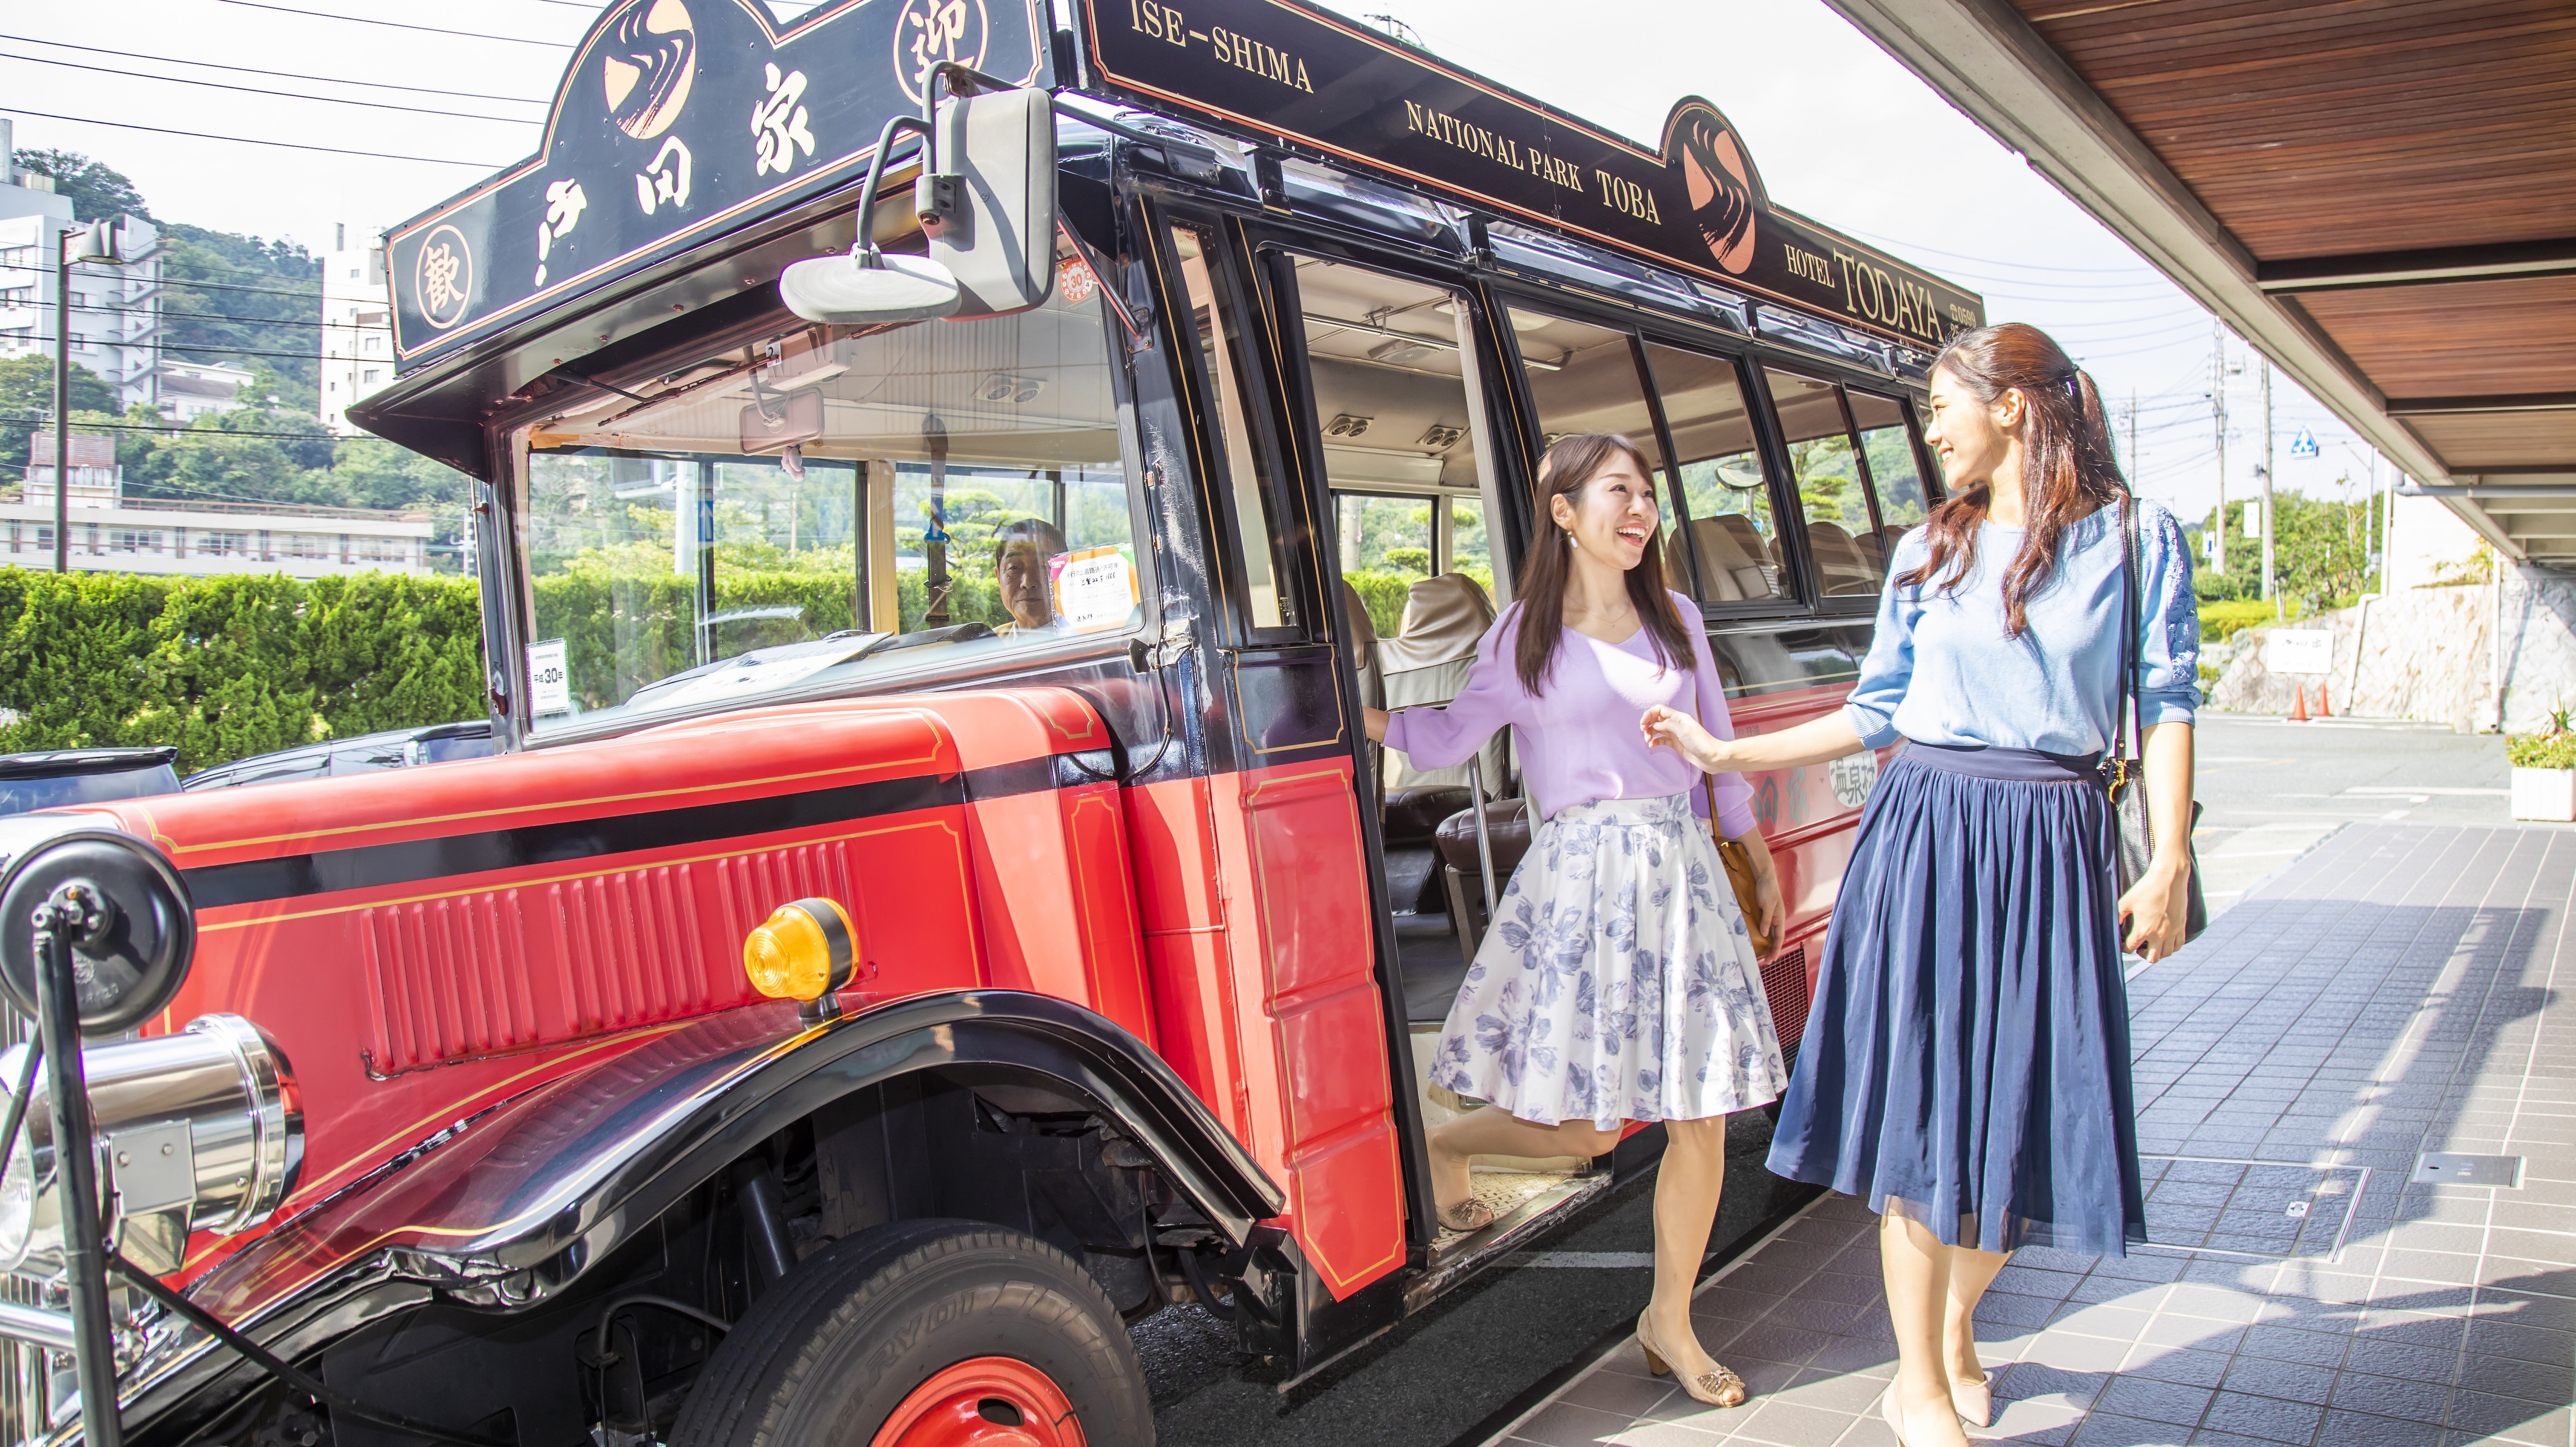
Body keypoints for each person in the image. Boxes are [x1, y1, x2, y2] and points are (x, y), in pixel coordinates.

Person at [1642, 322, 2200, 1447]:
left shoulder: (2139, 539)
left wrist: (2172, 856)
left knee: (2025, 1122)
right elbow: (1876, 707)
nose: (1930, 426)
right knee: (1925, 1124)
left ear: (2014, 408)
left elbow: (2168, 697)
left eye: (1944, 404)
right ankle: (1918, 1384)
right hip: (1925, 835)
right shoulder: (1922, 549)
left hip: (2050, 840)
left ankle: (1952, 1328)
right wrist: (1727, 755)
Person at [1365, 433, 1789, 1410]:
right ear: (1563, 510)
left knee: (1701, 1116)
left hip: (1679, 875)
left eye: (1647, 494)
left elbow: (1717, 755)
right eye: (1618, 492)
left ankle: (1670, 1318)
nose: (1640, 509)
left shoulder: (1676, 615)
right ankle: (1448, 1143)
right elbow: (1444, 734)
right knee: (1593, 1130)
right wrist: (1352, 712)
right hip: (1582, 883)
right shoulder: (1523, 635)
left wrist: (1755, 860)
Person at [991, 517, 1066, 634]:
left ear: (1065, 573)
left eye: (1043, 566)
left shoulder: (1088, 640)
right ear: (998, 577)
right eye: (1014, 568)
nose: (1028, 583)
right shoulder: (989, 644)